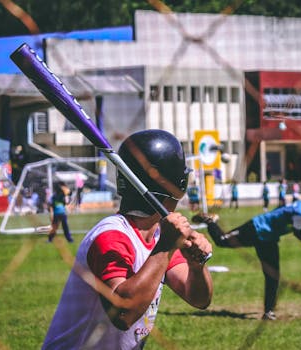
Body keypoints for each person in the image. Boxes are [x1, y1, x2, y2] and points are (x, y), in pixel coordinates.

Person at [42, 130, 213, 349]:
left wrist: (197, 266)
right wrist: (165, 248)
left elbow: (198, 299)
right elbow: (123, 313)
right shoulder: (112, 237)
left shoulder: (160, 236)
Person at [192, 184, 301, 321]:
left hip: (268, 238)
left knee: (273, 275)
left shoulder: (299, 205)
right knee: (221, 240)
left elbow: (282, 212)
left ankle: (269, 311)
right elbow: (297, 233)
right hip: (256, 229)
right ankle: (210, 221)